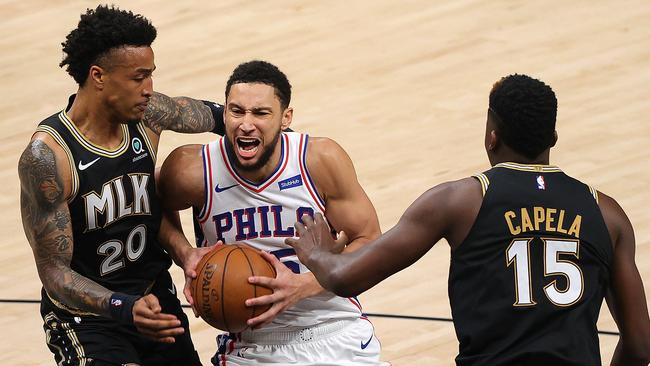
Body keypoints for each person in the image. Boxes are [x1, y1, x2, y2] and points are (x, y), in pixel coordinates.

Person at [286, 74, 650, 366]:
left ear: (492, 138)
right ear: (553, 137)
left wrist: (317, 253)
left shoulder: (460, 201)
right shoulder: (606, 212)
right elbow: (639, 346)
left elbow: (345, 278)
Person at [18, 5, 226, 365]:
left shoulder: (148, 115)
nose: (149, 89)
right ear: (98, 76)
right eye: (138, 77)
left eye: (151, 76)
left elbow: (225, 117)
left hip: (152, 296)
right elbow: (55, 274)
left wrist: (285, 139)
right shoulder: (49, 158)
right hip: (89, 319)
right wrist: (121, 307)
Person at [157, 60, 389, 365]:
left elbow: (370, 241)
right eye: (236, 111)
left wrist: (303, 286)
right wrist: (185, 253)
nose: (246, 124)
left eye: (261, 113)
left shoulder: (318, 159)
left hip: (333, 330)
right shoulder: (193, 170)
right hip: (251, 345)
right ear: (223, 112)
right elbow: (150, 204)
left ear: (285, 117)